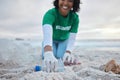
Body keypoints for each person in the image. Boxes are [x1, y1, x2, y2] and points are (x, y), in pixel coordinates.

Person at [42, 0, 81, 72]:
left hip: (64, 40)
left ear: (74, 3)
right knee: (49, 56)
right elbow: (47, 32)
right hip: (51, 40)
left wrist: (68, 52)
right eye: (62, 0)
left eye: (70, 1)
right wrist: (48, 52)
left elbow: (72, 38)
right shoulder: (50, 14)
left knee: (61, 56)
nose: (65, 3)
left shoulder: (75, 18)